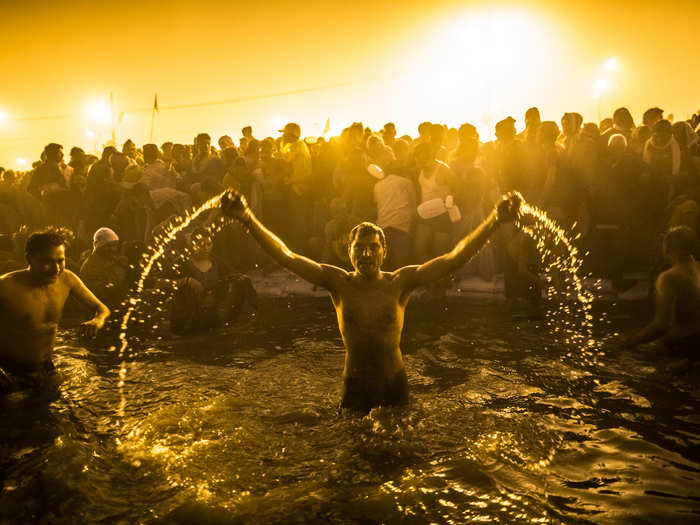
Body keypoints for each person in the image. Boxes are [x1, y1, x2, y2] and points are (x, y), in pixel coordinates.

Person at [220, 188, 521, 412]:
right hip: (355, 387)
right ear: (348, 251)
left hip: (394, 385)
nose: (366, 254)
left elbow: (454, 258)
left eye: (373, 248)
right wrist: (247, 218)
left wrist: (494, 220)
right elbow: (287, 256)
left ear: (383, 251)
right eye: (359, 248)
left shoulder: (400, 282)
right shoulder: (338, 283)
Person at [0, 230, 110, 395]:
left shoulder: (67, 279)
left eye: (61, 261)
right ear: (29, 259)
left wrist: (96, 321)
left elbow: (102, 309)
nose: (56, 269)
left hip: (45, 368)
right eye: (47, 262)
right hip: (9, 372)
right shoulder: (6, 287)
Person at [624, 226, 700, 356]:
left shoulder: (669, 278)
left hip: (684, 345)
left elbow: (663, 324)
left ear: (667, 249)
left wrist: (630, 342)